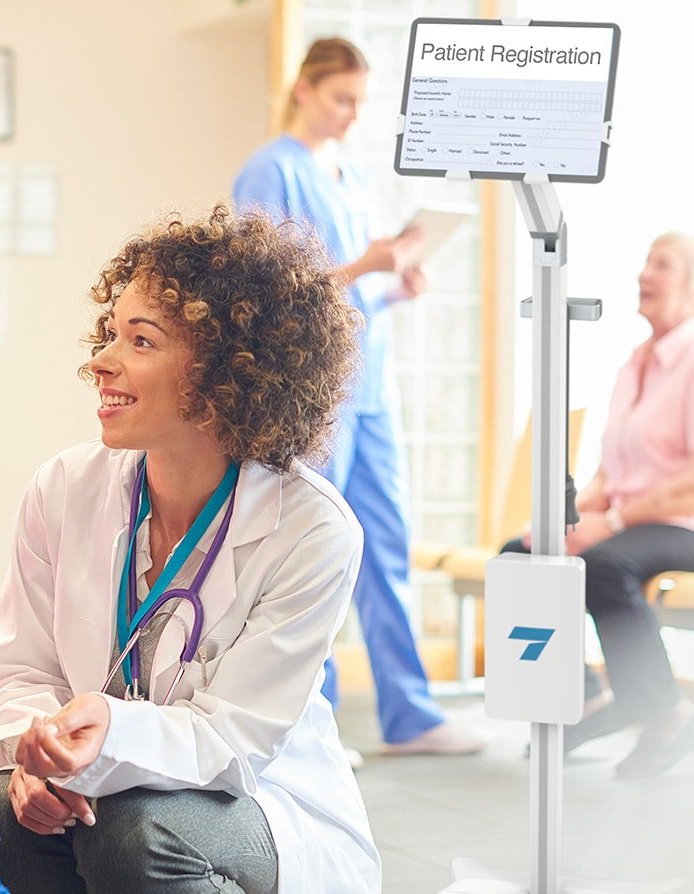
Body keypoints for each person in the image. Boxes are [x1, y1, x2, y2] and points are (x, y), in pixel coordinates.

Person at [0, 207, 380, 893]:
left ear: (227, 372)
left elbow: (235, 740)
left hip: (260, 801)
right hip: (105, 782)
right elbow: (18, 672)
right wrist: (37, 752)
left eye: (141, 340)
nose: (100, 361)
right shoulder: (64, 488)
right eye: (110, 333)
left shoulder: (313, 529)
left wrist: (109, 734)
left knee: (136, 831)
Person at [232, 36, 483, 756]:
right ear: (304, 89)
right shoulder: (271, 170)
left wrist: (390, 285)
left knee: (385, 544)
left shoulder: (351, 175)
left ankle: (411, 714)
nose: (351, 114)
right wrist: (362, 266)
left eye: (359, 102)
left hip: (370, 389)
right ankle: (309, 726)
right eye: (341, 98)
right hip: (318, 393)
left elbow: (349, 295)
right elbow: (265, 289)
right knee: (312, 549)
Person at [503, 233, 694, 778]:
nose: (644, 275)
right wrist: (560, 522)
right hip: (655, 521)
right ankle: (583, 699)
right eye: (646, 263)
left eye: (663, 266)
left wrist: (610, 523)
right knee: (521, 554)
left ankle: (668, 715)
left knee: (604, 564)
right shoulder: (636, 364)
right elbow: (612, 475)